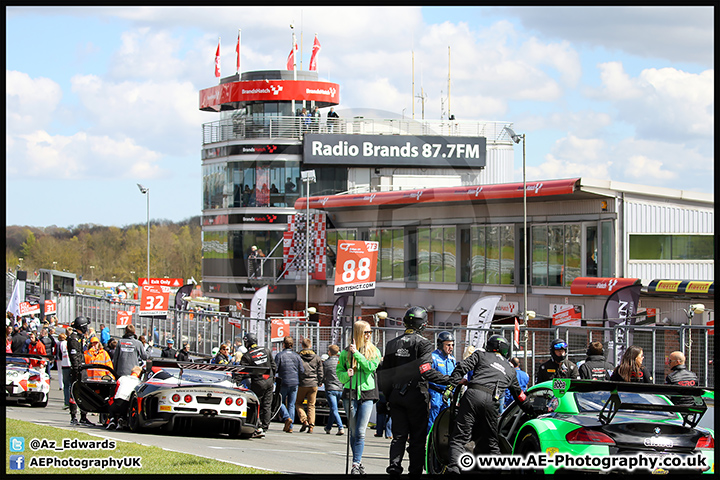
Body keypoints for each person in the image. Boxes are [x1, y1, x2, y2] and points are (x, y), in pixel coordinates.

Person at [444, 335, 535, 473]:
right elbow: (520, 396)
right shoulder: (510, 370)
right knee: (492, 443)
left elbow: (461, 367)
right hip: (493, 401)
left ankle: (454, 470)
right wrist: (534, 410)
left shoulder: (480, 354)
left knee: (459, 438)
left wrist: (450, 386)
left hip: (473, 395)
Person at [378, 306, 450, 476]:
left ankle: (394, 467)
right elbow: (425, 371)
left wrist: (388, 397)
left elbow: (383, 374)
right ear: (423, 324)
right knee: (417, 439)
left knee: (398, 436)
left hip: (396, 396)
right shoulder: (424, 344)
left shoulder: (391, 344)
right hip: (417, 396)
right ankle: (415, 471)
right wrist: (448, 380)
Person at [337, 320, 381, 475]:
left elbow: (370, 367)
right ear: (358, 333)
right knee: (353, 431)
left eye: (370, 332)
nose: (369, 335)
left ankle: (356, 463)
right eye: (366, 332)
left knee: (361, 431)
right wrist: (345, 375)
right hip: (350, 393)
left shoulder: (374, 351)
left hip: (368, 394)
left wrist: (357, 354)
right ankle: (358, 461)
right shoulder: (344, 353)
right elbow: (339, 372)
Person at [240, 332, 276, 438]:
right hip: (269, 381)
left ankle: (258, 427)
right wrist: (271, 378)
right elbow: (273, 366)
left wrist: (236, 382)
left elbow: (241, 372)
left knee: (256, 405)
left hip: (258, 382)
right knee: (267, 405)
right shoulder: (266, 350)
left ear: (248, 342)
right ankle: (264, 427)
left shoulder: (247, 356)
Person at [427, 331, 457, 431]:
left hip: (447, 395)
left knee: (444, 423)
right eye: (448, 345)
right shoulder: (433, 357)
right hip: (435, 394)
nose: (451, 347)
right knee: (432, 422)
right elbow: (428, 376)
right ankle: (427, 442)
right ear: (440, 345)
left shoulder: (452, 359)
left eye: (452, 344)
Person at [274, 336, 305, 433]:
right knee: (291, 404)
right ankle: (290, 426)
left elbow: (275, 369)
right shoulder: (297, 356)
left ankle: (287, 418)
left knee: (280, 402)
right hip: (294, 382)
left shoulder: (280, 355)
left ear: (283, 344)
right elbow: (302, 370)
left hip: (283, 381)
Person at [67, 316, 94, 426]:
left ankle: (84, 416)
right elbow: (74, 356)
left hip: (83, 369)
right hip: (77, 370)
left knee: (84, 394)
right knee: (75, 393)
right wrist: (78, 369)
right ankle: (73, 417)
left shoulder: (80, 337)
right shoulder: (73, 339)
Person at [295, 337, 324, 434]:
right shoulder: (317, 358)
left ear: (302, 346)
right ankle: (311, 425)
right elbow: (320, 371)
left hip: (302, 383)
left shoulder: (298, 357)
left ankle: (304, 420)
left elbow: (297, 370)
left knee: (298, 403)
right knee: (311, 405)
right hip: (313, 383)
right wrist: (320, 381)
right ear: (310, 346)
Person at [107, 365, 142, 431]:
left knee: (110, 401)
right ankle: (122, 419)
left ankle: (112, 419)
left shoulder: (123, 378)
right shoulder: (139, 382)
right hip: (127, 404)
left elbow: (116, 388)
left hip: (117, 401)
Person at [322, 344, 345, 435]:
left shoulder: (326, 363)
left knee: (334, 409)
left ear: (329, 352)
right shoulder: (341, 362)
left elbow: (323, 375)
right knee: (333, 409)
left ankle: (340, 427)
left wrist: (322, 381)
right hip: (340, 388)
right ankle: (328, 427)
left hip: (330, 388)